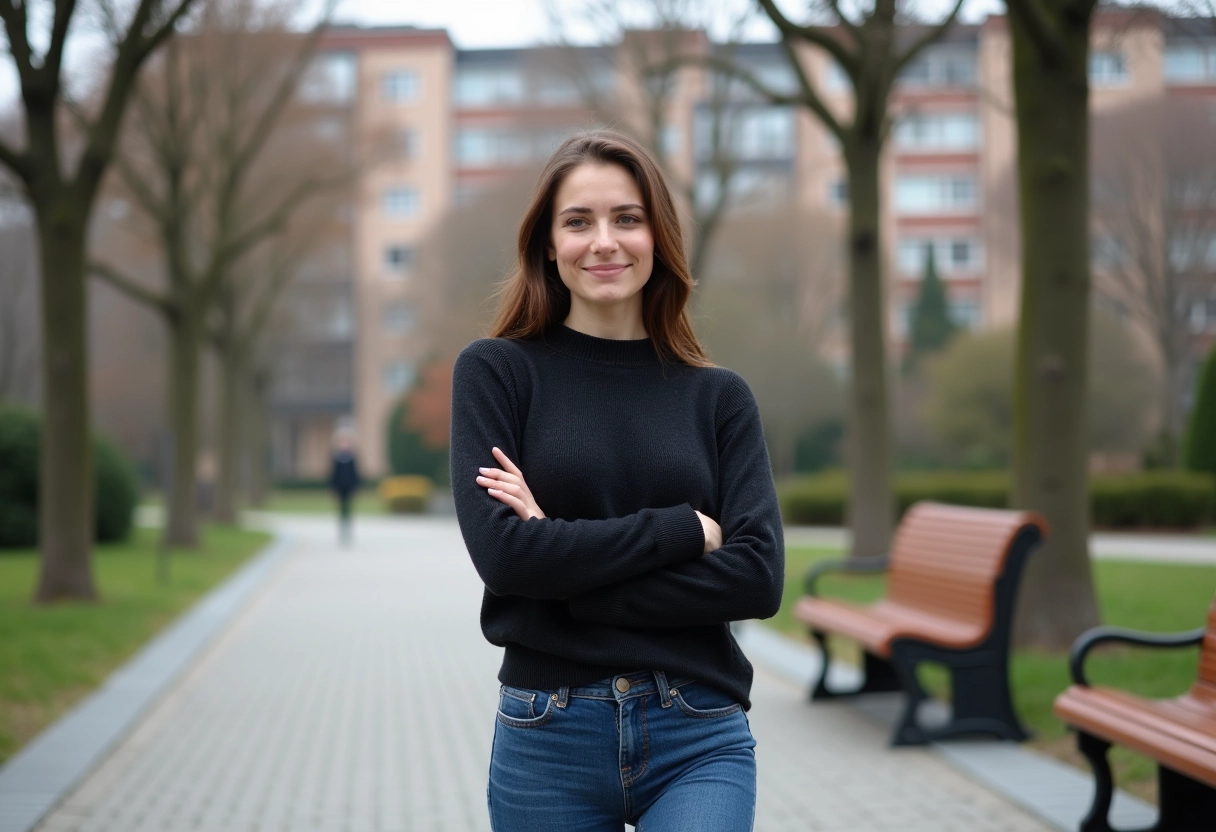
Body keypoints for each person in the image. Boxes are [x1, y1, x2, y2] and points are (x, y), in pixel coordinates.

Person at [450, 129, 784, 831]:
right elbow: (506, 559)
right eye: (579, 222)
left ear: (657, 235)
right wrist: (685, 530)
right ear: (547, 242)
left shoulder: (719, 397)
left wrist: (564, 574)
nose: (604, 241)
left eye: (627, 219)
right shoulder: (498, 374)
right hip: (549, 735)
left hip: (697, 729)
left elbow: (757, 578)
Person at [328, 430, 360, 544]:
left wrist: (356, 486)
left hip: (349, 487)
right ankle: (342, 529)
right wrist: (332, 488)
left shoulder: (352, 458)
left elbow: (355, 473)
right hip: (339, 487)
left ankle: (348, 529)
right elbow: (333, 474)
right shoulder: (336, 458)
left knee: (348, 508)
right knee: (341, 509)